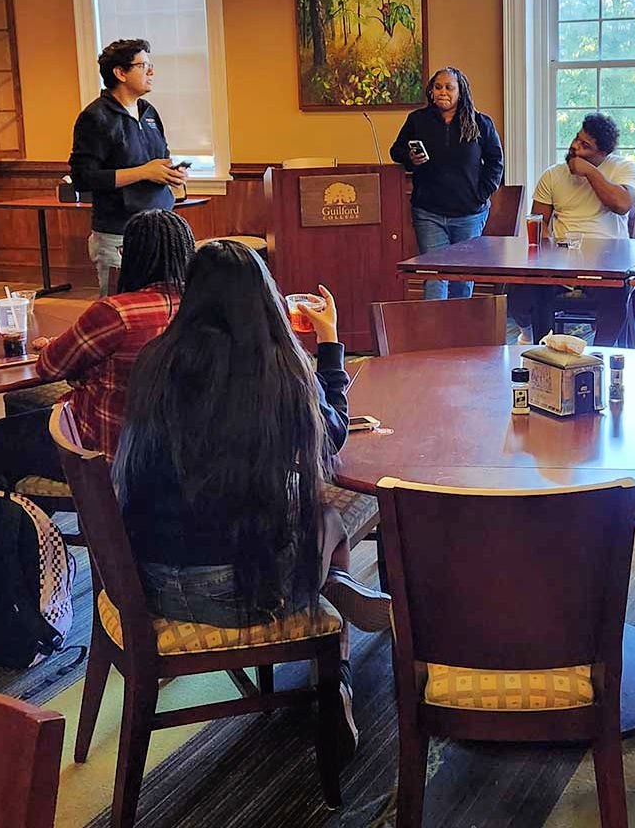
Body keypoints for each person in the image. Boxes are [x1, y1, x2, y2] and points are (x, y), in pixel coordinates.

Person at [114, 240, 389, 749]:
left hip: (143, 583)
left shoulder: (155, 361)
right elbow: (329, 438)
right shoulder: (275, 371)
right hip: (242, 592)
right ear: (266, 299)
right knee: (327, 514)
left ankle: (336, 593)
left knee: (302, 520)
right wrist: (329, 346)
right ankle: (339, 665)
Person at [30, 209, 195, 457]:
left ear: (130, 257)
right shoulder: (204, 307)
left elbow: (49, 367)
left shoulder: (115, 313)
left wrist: (65, 355)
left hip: (107, 458)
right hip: (183, 457)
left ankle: (17, 495)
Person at [510, 113, 635, 344]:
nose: (574, 147)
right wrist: (546, 255)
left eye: (585, 146)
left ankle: (601, 354)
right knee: (521, 288)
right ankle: (536, 342)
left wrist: (590, 172)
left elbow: (622, 205)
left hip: (607, 260)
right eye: (576, 139)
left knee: (616, 291)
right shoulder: (553, 174)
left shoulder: (624, 169)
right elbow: (538, 222)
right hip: (561, 259)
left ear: (603, 154)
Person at [69, 38, 186, 296]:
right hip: (119, 233)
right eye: (143, 66)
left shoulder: (149, 112)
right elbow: (82, 178)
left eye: (150, 65)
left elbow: (160, 158)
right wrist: (144, 172)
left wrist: (170, 173)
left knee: (163, 309)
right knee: (120, 310)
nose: (151, 72)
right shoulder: (95, 117)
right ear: (120, 73)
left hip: (160, 228)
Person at [390, 66, 504, 300]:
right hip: (428, 213)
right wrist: (411, 159)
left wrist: (480, 194)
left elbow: (496, 162)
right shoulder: (417, 120)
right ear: (431, 91)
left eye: (449, 88)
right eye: (438, 87)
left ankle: (461, 333)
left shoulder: (480, 123)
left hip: (469, 214)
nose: (443, 92)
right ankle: (433, 334)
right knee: (434, 276)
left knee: (463, 278)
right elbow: (396, 151)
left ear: (460, 92)